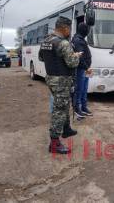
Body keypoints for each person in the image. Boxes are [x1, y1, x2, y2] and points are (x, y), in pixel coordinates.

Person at [39, 16, 82, 154]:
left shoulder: (46, 41)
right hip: (62, 81)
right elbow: (72, 63)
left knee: (64, 104)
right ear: (64, 28)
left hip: (51, 78)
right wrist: (76, 56)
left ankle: (67, 129)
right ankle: (55, 143)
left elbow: (41, 57)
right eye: (69, 29)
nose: (69, 31)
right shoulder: (63, 43)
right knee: (59, 110)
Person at [72, 22, 93, 119]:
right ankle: (77, 109)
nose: (88, 31)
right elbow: (80, 57)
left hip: (85, 69)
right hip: (81, 69)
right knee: (79, 90)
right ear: (84, 30)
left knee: (84, 90)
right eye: (87, 30)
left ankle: (84, 108)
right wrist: (86, 67)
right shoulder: (77, 40)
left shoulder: (81, 39)